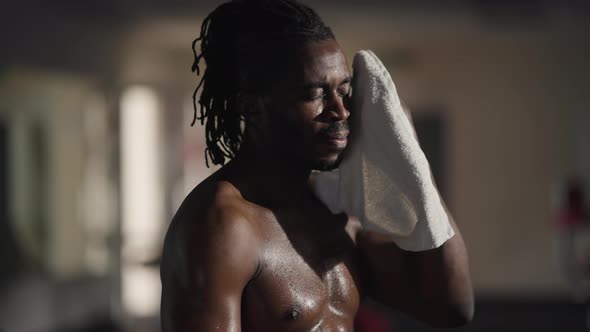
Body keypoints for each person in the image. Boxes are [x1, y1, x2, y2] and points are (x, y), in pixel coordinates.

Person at [160, 0, 474, 331]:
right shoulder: (222, 223)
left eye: (344, 90)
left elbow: (452, 307)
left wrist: (413, 159)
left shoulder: (336, 216)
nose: (340, 111)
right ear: (250, 106)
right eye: (315, 94)